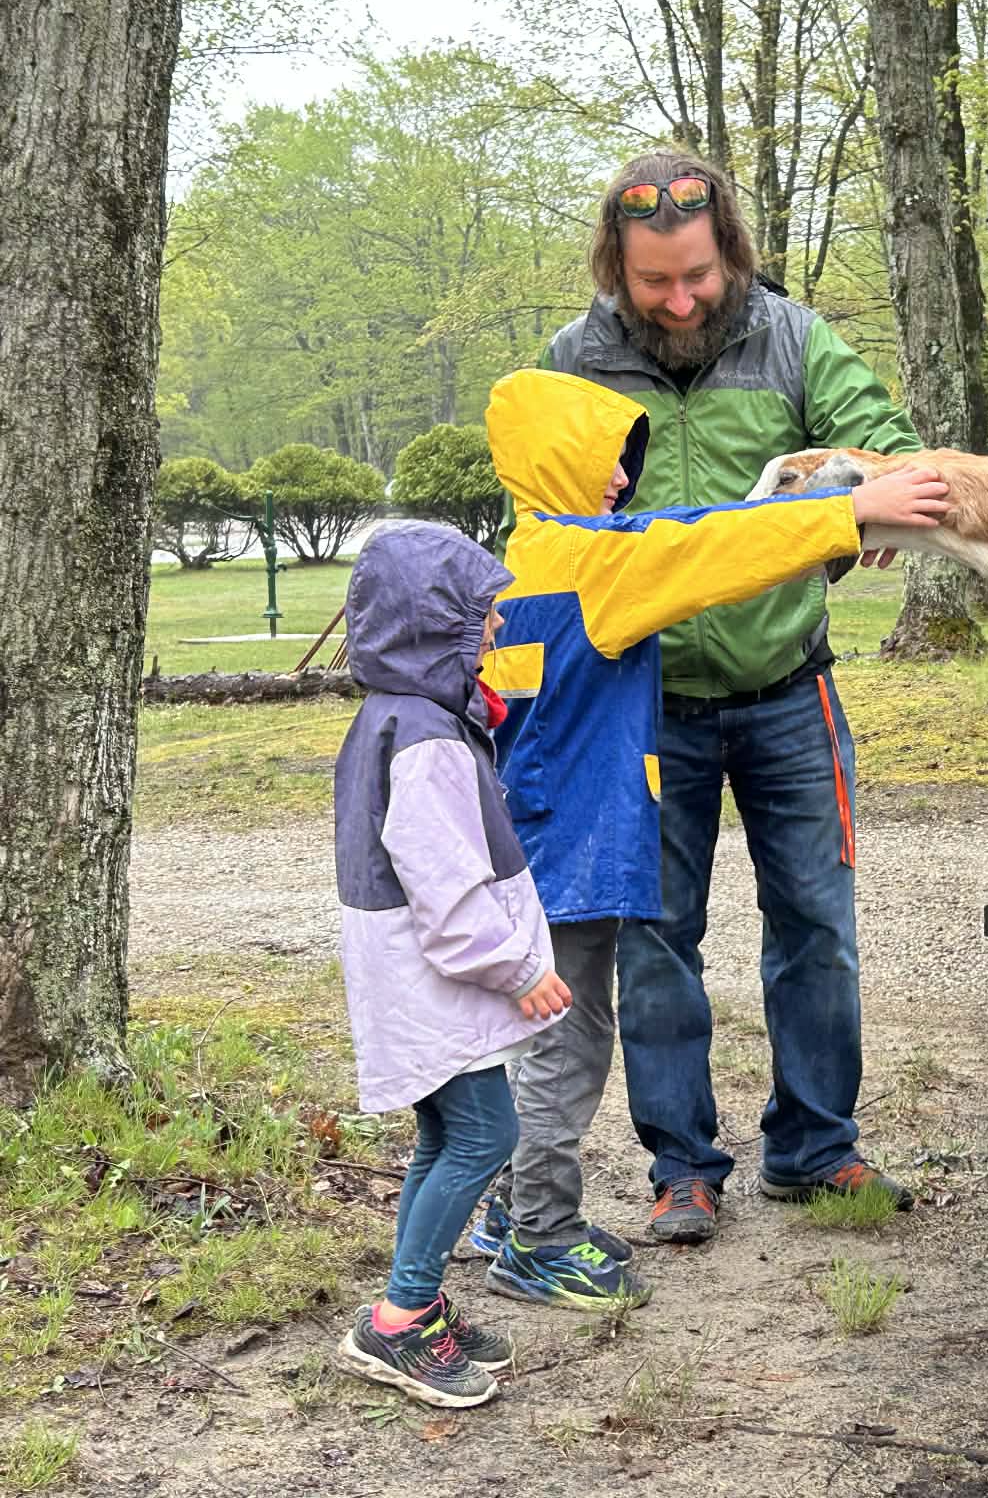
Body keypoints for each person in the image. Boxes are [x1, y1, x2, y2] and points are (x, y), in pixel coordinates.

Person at [465, 366, 949, 1308]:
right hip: (577, 855)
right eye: (603, 461)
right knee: (566, 1045)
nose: (620, 481)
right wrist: (853, 513)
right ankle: (540, 1235)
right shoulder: (592, 565)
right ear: (552, 462)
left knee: (524, 1039)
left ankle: (504, 1208)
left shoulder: (515, 562)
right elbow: (709, 548)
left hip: (527, 846)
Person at [538, 146, 925, 1244]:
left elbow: (889, 449)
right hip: (642, 702)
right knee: (657, 937)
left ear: (730, 250)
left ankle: (814, 1148)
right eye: (654, 280)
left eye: (697, 274)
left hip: (786, 691)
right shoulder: (574, 358)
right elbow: (539, 507)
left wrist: (857, 498)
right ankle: (682, 1167)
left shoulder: (793, 337)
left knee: (816, 926)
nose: (679, 298)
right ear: (617, 267)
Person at [331, 519, 574, 1409]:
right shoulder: (426, 736)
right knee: (484, 1134)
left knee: (445, 1135)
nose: (496, 630)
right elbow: (445, 887)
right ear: (431, 624)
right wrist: (516, 968)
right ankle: (397, 1319)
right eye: (482, 617)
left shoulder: (400, 717)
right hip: (443, 976)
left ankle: (417, 1301)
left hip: (420, 977)